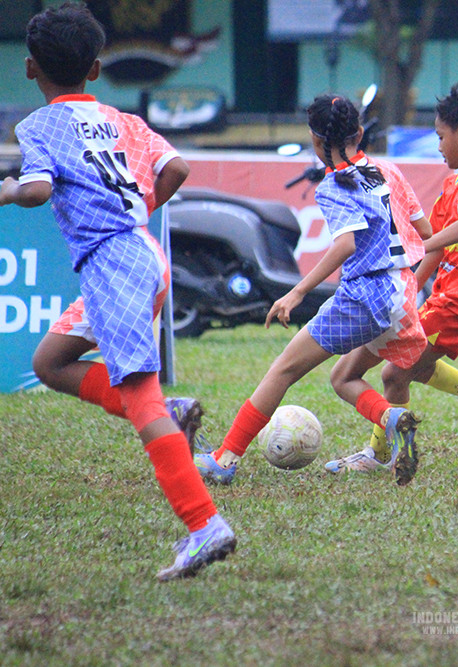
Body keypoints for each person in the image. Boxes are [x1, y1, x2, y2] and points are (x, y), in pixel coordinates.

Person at [0, 3, 235, 582]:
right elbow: (176, 169)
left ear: (30, 68)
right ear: (96, 68)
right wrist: (135, 213)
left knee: (140, 397)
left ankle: (205, 525)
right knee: (50, 362)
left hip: (114, 267)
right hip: (142, 256)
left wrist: (7, 190)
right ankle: (172, 415)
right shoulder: (121, 118)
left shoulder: (38, 126)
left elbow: (36, 191)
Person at [194, 93, 426, 487]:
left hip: (364, 297)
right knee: (342, 377)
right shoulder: (388, 170)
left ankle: (224, 459)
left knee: (283, 369)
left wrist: (297, 292)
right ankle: (392, 417)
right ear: (358, 133)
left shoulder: (333, 185)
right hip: (402, 295)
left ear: (316, 141)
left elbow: (346, 244)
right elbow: (425, 232)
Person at [327, 84, 458, 475]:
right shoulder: (451, 186)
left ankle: (379, 455)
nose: (438, 146)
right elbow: (435, 249)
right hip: (445, 297)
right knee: (405, 370)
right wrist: (409, 289)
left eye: (440, 137)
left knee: (391, 372)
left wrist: (422, 244)